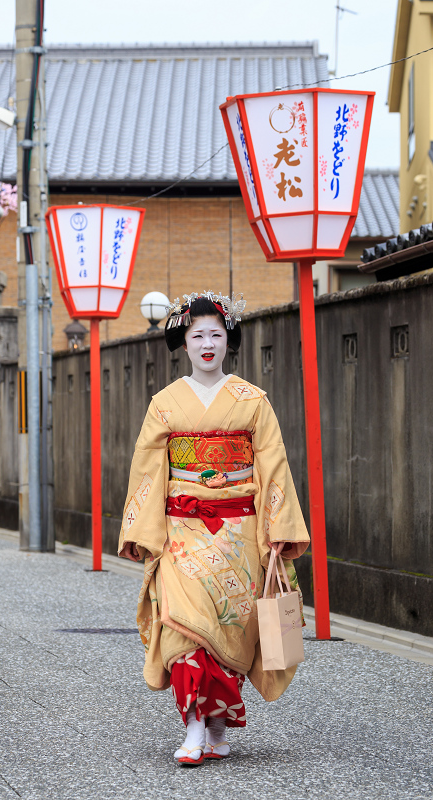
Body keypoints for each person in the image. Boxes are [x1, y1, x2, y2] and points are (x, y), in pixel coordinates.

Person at [118, 291, 310, 767]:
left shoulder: (252, 401)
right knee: (186, 631)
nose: (207, 344)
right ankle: (194, 726)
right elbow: (147, 470)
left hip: (239, 532)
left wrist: (278, 527)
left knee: (229, 632)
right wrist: (146, 532)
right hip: (182, 532)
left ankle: (219, 723)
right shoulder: (165, 404)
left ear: (229, 341)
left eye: (216, 335)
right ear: (183, 342)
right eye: (197, 334)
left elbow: (274, 466)